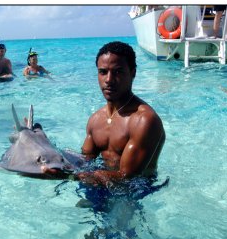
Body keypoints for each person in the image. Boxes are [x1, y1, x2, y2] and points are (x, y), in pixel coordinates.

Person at [43, 41, 166, 187]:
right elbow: (84, 161)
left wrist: (71, 177)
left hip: (135, 193)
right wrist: (43, 145)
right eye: (103, 72)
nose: (108, 80)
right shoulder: (96, 119)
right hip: (97, 184)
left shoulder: (144, 120)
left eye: (118, 72)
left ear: (133, 73)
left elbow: (127, 178)